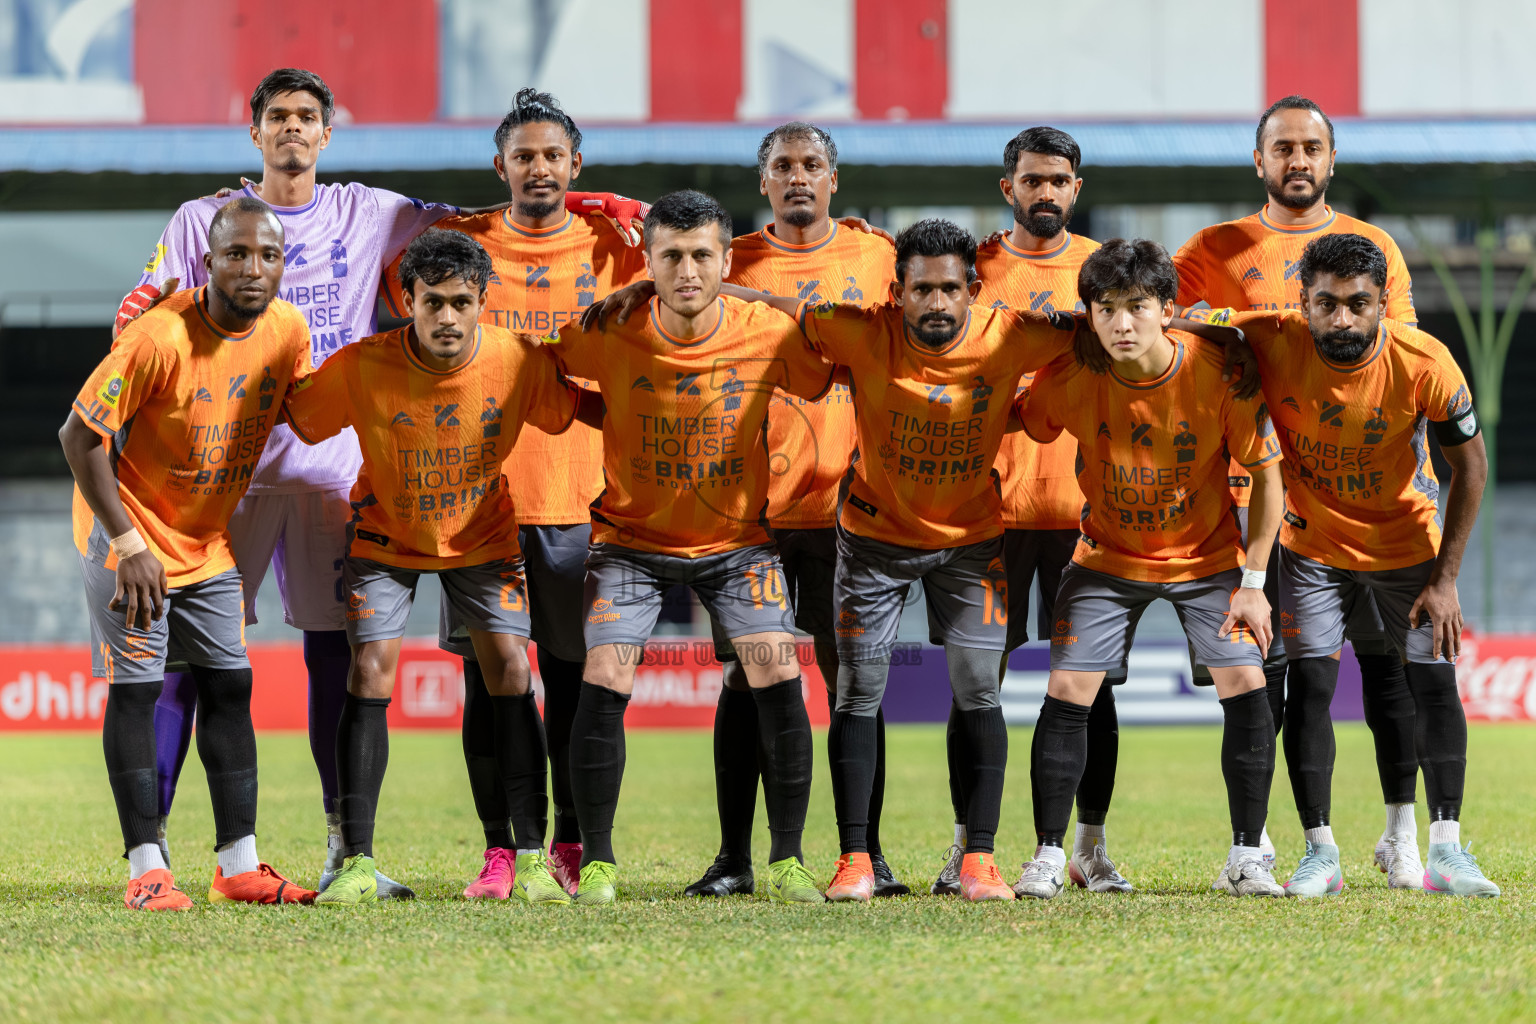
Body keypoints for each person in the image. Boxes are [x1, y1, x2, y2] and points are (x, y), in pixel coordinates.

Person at [115, 69, 645, 898]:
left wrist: (598, 201)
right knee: (193, 662)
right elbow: (137, 312)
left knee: (347, 660)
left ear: (329, 133)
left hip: (336, 477)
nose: (293, 130)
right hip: (227, 476)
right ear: (253, 130)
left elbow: (503, 212)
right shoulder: (202, 220)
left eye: (308, 118)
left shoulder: (376, 213)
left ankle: (346, 850)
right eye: (278, 117)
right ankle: (155, 859)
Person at [381, 88, 650, 900]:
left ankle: (570, 842)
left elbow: (675, 304)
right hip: (478, 502)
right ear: (499, 166)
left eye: (552, 155)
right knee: (489, 682)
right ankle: (501, 850)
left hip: (583, 494)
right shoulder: (458, 243)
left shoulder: (614, 244)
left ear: (577, 165)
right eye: (523, 156)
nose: (538, 168)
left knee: (572, 681)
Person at [282, 229, 602, 906]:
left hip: (483, 541)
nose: (448, 318)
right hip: (386, 539)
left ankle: (529, 858)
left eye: (461, 302)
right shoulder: (363, 363)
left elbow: (585, 409)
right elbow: (298, 414)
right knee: (369, 670)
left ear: (484, 300)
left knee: (512, 670)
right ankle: (358, 863)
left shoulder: (518, 360)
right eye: (433, 303)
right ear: (407, 299)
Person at [544, 190, 836, 905]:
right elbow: (553, 375)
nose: (687, 270)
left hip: (737, 543)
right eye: (669, 256)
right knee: (607, 670)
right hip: (630, 542)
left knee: (774, 668)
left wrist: (742, 291)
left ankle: (788, 859)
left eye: (703, 255)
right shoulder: (608, 329)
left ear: (726, 259)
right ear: (646, 261)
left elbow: (827, 354)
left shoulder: (766, 331)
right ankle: (601, 862)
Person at [1190, 233, 1498, 898]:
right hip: (1313, 550)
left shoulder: (1426, 361)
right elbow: (1182, 318)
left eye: (1358, 304)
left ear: (1383, 303)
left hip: (1407, 550)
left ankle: (1445, 850)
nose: (1342, 319)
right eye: (1325, 304)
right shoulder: (1273, 335)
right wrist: (1231, 342)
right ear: (1302, 303)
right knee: (1311, 691)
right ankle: (1319, 852)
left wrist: (1445, 581)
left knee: (1433, 684)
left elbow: (1470, 466)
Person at [784, 219, 1079, 903]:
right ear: (898, 292)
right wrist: (668, 290)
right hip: (872, 544)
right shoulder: (862, 329)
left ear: (973, 289)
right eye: (923, 290)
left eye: (951, 289)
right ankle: (854, 860)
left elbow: (1109, 324)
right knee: (858, 693)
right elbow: (771, 309)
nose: (938, 304)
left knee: (980, 691)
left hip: (973, 546)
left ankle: (978, 861)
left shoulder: (1013, 333)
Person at [1173, 95, 1424, 882]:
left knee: (1386, 674)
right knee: (1263, 683)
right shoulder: (1214, 246)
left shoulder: (1374, 246)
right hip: (1250, 499)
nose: (1298, 160)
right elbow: (1172, 337)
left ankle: (1400, 835)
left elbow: (1404, 360)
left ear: (1332, 158)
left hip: (1356, 505)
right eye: (1282, 147)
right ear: (1259, 161)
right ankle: (1260, 845)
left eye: (1312, 146)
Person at [59, 198, 316, 910]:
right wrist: (128, 542)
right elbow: (78, 438)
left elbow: (309, 409)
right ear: (208, 262)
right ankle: (147, 868)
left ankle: (240, 864)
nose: (252, 268)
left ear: (282, 264)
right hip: (130, 535)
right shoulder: (157, 338)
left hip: (204, 541)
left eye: (267, 255)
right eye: (236, 254)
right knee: (139, 691)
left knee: (230, 687)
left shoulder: (289, 330)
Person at [1013, 238, 1287, 899]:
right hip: (1107, 558)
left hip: (1207, 559)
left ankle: (1247, 856)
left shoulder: (1220, 372)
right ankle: (1052, 854)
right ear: (1089, 316)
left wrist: (1253, 583)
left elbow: (1268, 477)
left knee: (1245, 678)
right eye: (1105, 309)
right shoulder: (1074, 376)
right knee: (1070, 690)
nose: (1122, 324)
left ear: (1168, 308)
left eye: (1138, 306)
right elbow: (1027, 419)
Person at [685, 121, 906, 899]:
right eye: (783, 165)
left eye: (813, 163)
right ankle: (735, 859)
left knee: (857, 683)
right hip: (752, 517)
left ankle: (866, 854)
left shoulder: (879, 258)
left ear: (834, 179)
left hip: (855, 512)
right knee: (750, 681)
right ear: (763, 182)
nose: (798, 176)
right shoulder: (725, 260)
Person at [932, 125, 1132, 898]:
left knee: (1093, 689)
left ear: (1076, 189)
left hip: (1089, 517)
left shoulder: (1106, 272)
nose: (1045, 192)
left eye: (1058, 180)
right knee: (973, 684)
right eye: (1031, 179)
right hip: (989, 515)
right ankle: (966, 848)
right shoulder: (972, 269)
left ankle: (1089, 846)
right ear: (1006, 188)